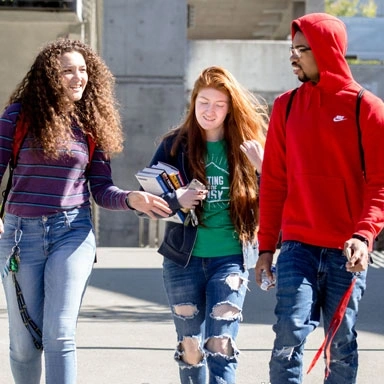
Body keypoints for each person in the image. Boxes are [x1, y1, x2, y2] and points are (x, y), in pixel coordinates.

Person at [0, 38, 171, 384]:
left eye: (82, 71)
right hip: (21, 237)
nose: (78, 78)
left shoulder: (91, 124)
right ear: (49, 76)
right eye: (67, 71)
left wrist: (130, 199)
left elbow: (101, 189)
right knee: (23, 345)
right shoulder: (18, 116)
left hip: (72, 233)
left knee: (59, 334)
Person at [255, 12, 384, 384]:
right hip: (298, 246)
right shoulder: (286, 106)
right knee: (287, 335)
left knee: (341, 342)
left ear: (325, 50)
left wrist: (364, 235)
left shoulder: (367, 108)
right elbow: (274, 182)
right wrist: (266, 248)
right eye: (291, 50)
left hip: (348, 250)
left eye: (301, 49)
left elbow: (379, 183)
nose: (293, 57)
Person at [143, 65, 268, 384]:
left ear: (230, 109)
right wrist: (176, 199)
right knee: (191, 348)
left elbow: (281, 199)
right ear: (193, 103)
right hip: (182, 262)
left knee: (220, 345)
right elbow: (147, 199)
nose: (209, 111)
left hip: (229, 260)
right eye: (203, 103)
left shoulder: (248, 148)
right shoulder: (175, 145)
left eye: (218, 104)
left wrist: (263, 170)